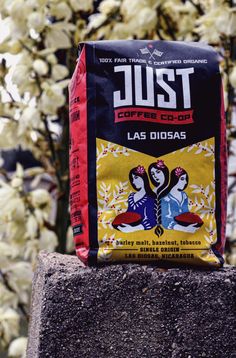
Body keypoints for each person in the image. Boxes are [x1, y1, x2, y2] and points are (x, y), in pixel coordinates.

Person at [117, 165, 156, 232]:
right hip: (127, 227)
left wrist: (133, 228)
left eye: (136, 178)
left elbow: (152, 221)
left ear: (143, 178)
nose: (133, 182)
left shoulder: (150, 197)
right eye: (132, 179)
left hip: (142, 232)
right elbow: (129, 214)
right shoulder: (131, 196)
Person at [161, 167, 199, 233]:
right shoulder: (166, 198)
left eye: (185, 179)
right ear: (174, 180)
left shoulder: (184, 195)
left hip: (185, 226)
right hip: (172, 232)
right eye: (182, 179)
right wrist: (185, 229)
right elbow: (165, 221)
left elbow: (186, 213)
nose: (185, 182)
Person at [148, 159, 169, 236]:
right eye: (152, 174)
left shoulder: (170, 190)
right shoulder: (152, 191)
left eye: (158, 172)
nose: (155, 176)